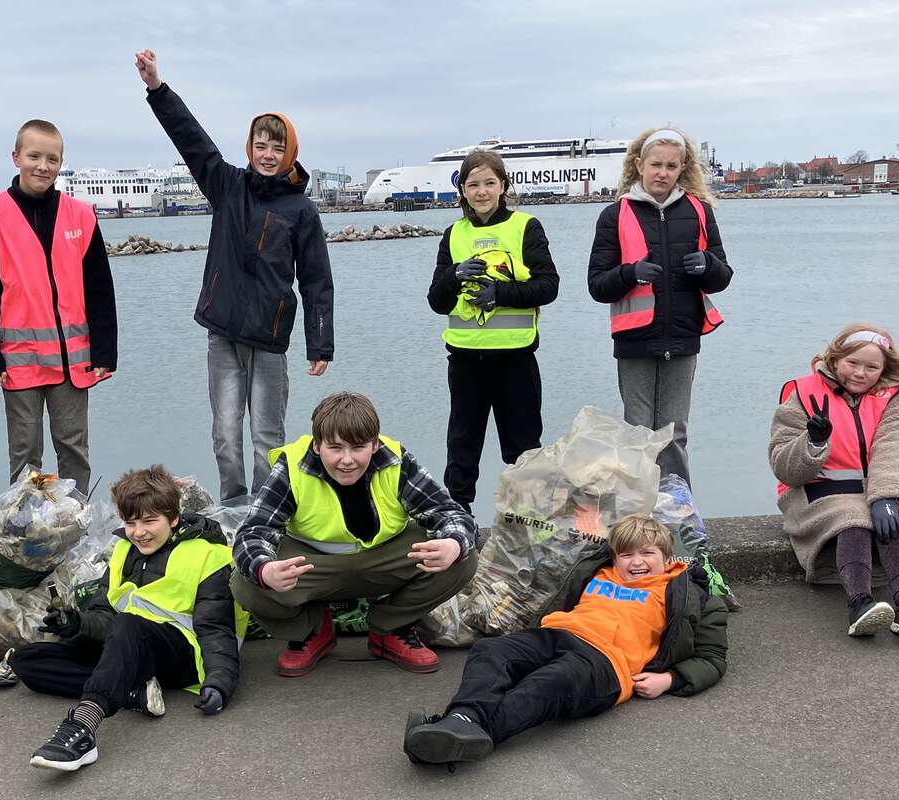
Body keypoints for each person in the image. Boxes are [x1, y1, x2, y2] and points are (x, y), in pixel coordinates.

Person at [134, 49, 335, 502]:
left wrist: (320, 343)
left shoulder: (301, 210)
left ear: (290, 152)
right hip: (223, 332)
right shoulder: (227, 186)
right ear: (250, 148)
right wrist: (156, 88)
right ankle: (232, 509)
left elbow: (317, 281)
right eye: (261, 146)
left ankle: (264, 513)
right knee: (226, 435)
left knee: (267, 439)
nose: (268, 155)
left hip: (269, 339)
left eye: (278, 148)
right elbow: (191, 139)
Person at [402, 514, 728, 765]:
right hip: (558, 633)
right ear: (615, 557)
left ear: (667, 557)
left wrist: (669, 680)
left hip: (605, 662)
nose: (637, 562)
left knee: (550, 682)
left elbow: (712, 659)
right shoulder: (597, 570)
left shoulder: (690, 596)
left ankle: (461, 734)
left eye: (647, 553)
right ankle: (462, 719)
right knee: (492, 650)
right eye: (627, 554)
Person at [9, 466, 244, 771]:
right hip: (129, 647)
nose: (139, 532)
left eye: (149, 521)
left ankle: (83, 727)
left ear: (173, 518)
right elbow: (104, 614)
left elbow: (216, 630)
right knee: (27, 660)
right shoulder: (123, 550)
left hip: (181, 656)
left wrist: (220, 683)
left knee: (128, 622)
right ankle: (134, 693)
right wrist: (76, 624)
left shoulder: (207, 555)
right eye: (130, 522)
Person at [232, 392, 478, 676]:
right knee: (245, 582)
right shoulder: (291, 468)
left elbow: (449, 512)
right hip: (314, 566)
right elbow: (254, 531)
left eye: (358, 447)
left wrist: (453, 544)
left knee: (463, 558)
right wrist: (264, 569)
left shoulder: (396, 461)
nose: (346, 460)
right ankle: (312, 629)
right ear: (317, 446)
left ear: (375, 444)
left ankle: (390, 628)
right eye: (335, 448)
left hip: (385, 558)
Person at [0, 119, 117, 492]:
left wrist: (105, 351)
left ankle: (75, 520)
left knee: (74, 449)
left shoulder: (81, 215)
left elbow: (100, 288)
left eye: (52, 159)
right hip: (18, 362)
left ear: (61, 163)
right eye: (34, 156)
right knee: (25, 454)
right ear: (16, 157)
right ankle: (25, 523)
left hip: (72, 362)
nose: (43, 166)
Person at [586, 128, 733, 484]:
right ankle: (637, 509)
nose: (662, 173)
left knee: (674, 433)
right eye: (656, 165)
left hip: (682, 338)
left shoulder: (699, 212)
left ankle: (678, 508)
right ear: (639, 165)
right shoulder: (614, 215)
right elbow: (597, 285)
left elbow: (722, 276)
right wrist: (629, 273)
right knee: (637, 432)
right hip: (635, 340)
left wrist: (707, 266)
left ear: (682, 168)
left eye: (671, 166)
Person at [769, 324, 899, 638]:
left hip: (876, 487)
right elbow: (784, 468)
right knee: (853, 518)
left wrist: (884, 496)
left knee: (896, 520)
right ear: (835, 359)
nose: (860, 373)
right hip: (816, 491)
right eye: (852, 363)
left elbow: (893, 450)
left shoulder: (895, 398)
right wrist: (813, 443)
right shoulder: (800, 393)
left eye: (872, 367)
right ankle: (860, 603)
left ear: (885, 368)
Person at [426, 149, 559, 512]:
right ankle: (458, 515)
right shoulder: (454, 234)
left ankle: (528, 519)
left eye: (489, 183)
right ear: (463, 190)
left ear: (503, 186)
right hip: (465, 360)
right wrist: (454, 276)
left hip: (515, 359)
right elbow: (436, 302)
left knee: (523, 447)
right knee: (462, 445)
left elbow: (548, 286)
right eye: (473, 185)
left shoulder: (526, 226)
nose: (481, 191)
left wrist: (500, 293)